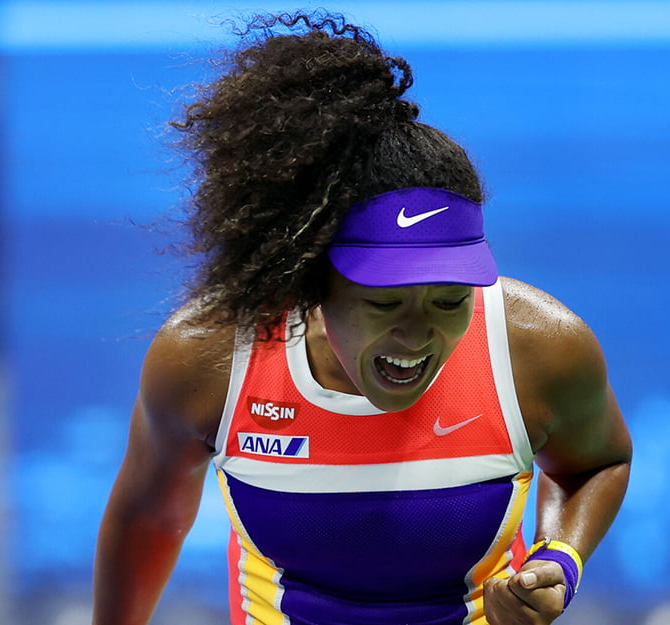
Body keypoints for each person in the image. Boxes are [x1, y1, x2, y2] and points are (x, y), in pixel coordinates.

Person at [93, 11, 632, 625]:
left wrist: (560, 559)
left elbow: (597, 462)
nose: (417, 334)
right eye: (384, 302)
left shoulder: (539, 347)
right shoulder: (210, 356)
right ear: (312, 279)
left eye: (450, 301)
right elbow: (149, 516)